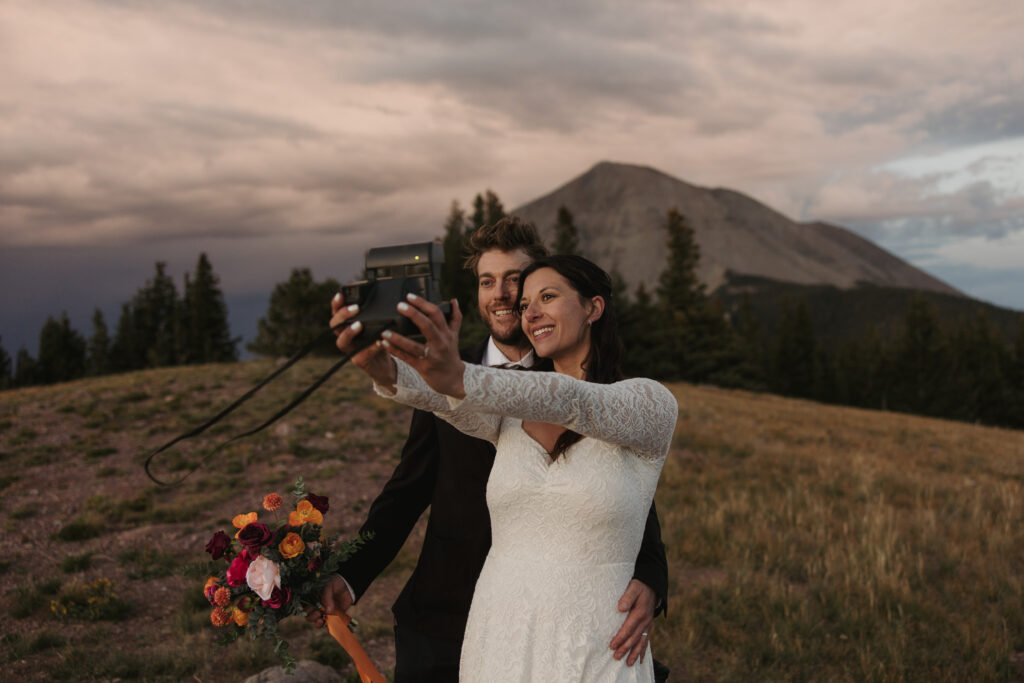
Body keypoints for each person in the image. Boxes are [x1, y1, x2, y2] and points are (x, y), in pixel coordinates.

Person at [311, 218, 669, 681]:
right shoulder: (495, 414)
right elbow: (409, 479)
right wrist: (384, 369)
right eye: (491, 284)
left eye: (539, 293)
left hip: (592, 639)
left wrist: (653, 577)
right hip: (476, 625)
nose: (513, 302)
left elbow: (614, 471)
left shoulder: (637, 403)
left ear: (593, 307)